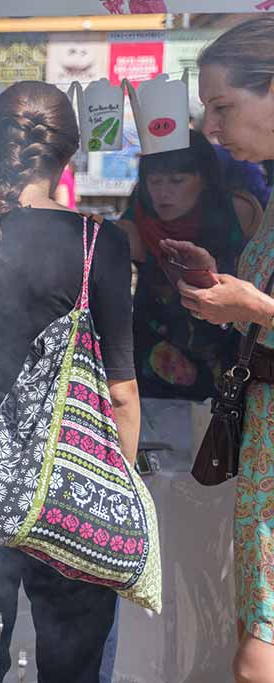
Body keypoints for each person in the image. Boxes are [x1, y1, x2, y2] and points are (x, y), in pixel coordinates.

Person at [0, 81, 140, 683]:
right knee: (71, 664)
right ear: (71, 152)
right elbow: (120, 391)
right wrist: (116, 490)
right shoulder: (101, 243)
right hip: (67, 484)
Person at [164, 16, 274, 683]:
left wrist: (254, 308)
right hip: (261, 456)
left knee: (256, 657)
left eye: (223, 106)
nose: (210, 127)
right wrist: (225, 284)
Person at [115, 130, 261, 459]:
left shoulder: (239, 212)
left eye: (177, 181)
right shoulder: (136, 223)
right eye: (154, 182)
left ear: (204, 179)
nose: (162, 193)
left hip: (228, 365)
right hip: (154, 372)